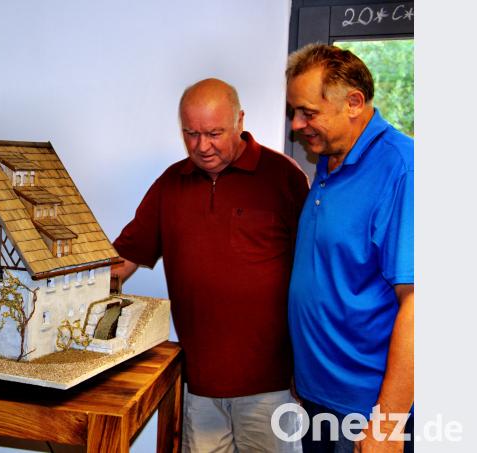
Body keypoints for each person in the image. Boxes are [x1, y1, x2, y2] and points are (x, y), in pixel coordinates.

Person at [112, 78, 309, 452]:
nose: (202, 146)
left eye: (214, 133)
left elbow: (315, 275)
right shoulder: (171, 184)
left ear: (240, 121)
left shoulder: (283, 178)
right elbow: (122, 260)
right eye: (190, 134)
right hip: (198, 385)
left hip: (271, 387)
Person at [285, 44, 414, 453]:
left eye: (308, 112)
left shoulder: (402, 169)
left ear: (354, 103)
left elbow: (420, 304)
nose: (295, 125)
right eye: (294, 112)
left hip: (367, 410)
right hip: (320, 394)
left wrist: (389, 423)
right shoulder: (330, 160)